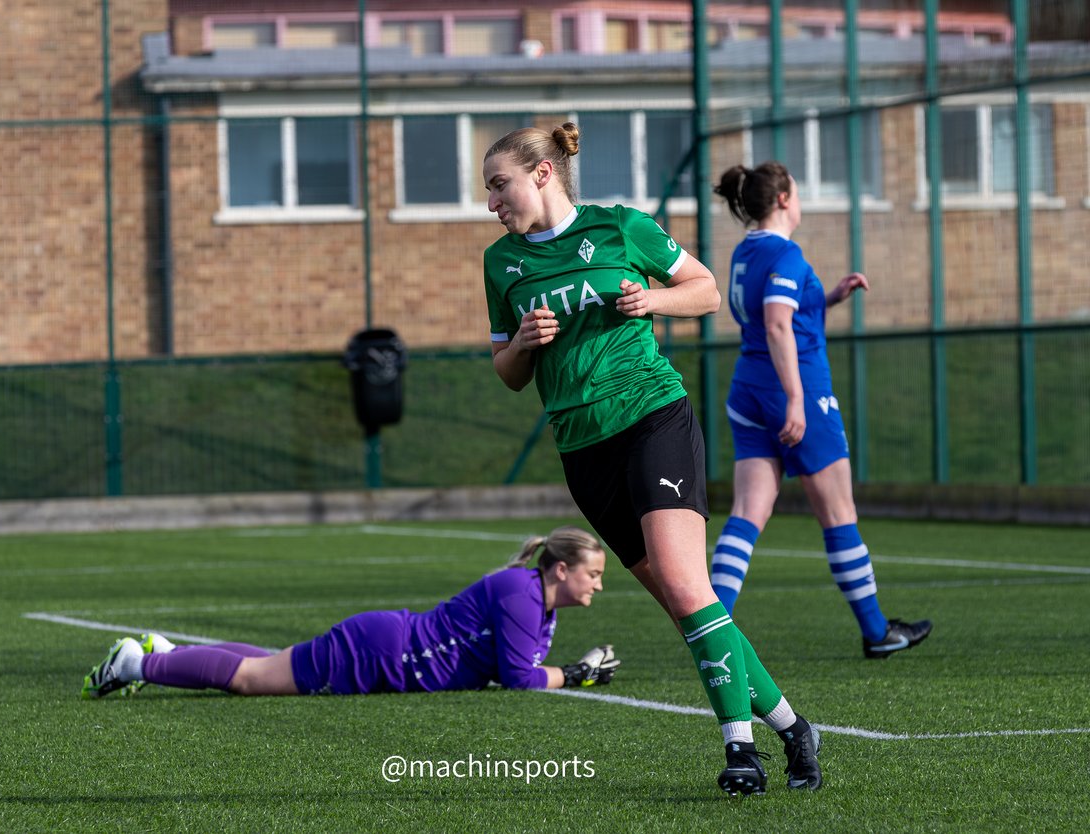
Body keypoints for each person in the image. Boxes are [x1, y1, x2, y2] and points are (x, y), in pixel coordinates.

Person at [482, 122, 821, 796]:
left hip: (650, 419)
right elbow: (508, 372)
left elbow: (704, 291)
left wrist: (653, 299)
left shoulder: (621, 228)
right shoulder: (502, 263)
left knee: (688, 585)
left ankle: (740, 751)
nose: (491, 202)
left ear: (543, 173)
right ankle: (793, 729)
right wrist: (522, 341)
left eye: (499, 185)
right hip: (584, 449)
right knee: (684, 605)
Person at [711, 162, 932, 659]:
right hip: (797, 388)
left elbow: (779, 312)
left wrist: (826, 297)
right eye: (798, 191)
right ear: (785, 198)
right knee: (838, 513)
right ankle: (877, 631)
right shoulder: (786, 253)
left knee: (747, 514)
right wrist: (794, 399)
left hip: (747, 388)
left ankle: (710, 626)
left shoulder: (746, 252)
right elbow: (776, 324)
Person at [82, 525, 620, 699]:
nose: (598, 584)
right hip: (381, 653)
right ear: (561, 569)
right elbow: (518, 677)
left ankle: (169, 653)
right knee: (250, 679)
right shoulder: (521, 595)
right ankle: (136, 664)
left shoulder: (533, 596)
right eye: (593, 573)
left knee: (272, 663)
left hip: (385, 644)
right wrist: (576, 674)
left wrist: (573, 672)